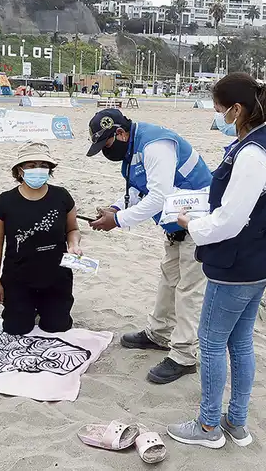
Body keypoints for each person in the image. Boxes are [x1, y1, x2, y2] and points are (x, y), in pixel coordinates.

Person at [165, 73, 266, 449]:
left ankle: (208, 427)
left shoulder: (252, 153)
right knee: (240, 341)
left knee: (212, 342)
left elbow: (231, 220)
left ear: (237, 110)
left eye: (219, 109)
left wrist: (193, 224)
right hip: (264, 258)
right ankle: (236, 421)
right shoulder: (265, 139)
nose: (217, 115)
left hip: (240, 264)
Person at [87, 108, 212, 384]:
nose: (106, 150)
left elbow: (158, 197)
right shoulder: (133, 149)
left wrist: (117, 220)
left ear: (120, 133)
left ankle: (184, 356)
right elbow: (135, 191)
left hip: (198, 223)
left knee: (189, 291)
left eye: (106, 144)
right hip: (175, 227)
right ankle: (159, 334)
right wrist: (115, 207)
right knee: (168, 281)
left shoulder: (156, 146)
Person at [0, 141, 81, 335]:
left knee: (57, 327)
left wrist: (73, 245)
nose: (38, 170)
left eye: (43, 165)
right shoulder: (4, 202)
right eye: (31, 165)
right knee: (16, 329)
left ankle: (46, 308)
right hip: (18, 277)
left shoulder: (62, 196)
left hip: (56, 276)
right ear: (20, 170)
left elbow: (73, 229)